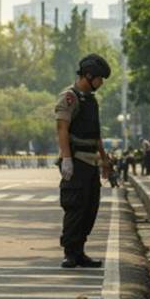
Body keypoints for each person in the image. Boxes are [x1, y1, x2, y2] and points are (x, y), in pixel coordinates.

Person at [54, 53, 111, 268]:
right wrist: (66, 158)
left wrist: (104, 160)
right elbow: (62, 128)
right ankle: (70, 252)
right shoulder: (70, 97)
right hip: (76, 159)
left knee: (90, 208)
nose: (101, 83)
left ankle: (80, 250)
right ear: (88, 75)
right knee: (75, 207)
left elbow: (96, 135)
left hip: (91, 161)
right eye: (99, 78)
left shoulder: (91, 101)